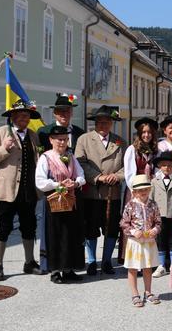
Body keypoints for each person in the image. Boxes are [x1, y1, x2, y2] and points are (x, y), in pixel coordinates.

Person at [0, 99, 44, 281]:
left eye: (26, 115)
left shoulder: (34, 135)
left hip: (28, 190)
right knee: (2, 228)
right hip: (6, 190)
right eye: (19, 114)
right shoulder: (0, 133)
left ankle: (29, 262)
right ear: (12, 116)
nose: (23, 118)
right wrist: (4, 149)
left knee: (29, 227)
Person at [75, 105, 127, 276]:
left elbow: (127, 166)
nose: (103, 125)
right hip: (92, 192)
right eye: (100, 122)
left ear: (111, 123)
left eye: (107, 122)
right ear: (95, 123)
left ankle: (106, 261)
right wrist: (98, 177)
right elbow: (80, 163)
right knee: (91, 227)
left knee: (111, 228)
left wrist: (117, 176)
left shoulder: (120, 141)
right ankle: (91, 261)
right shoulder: (84, 139)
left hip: (112, 193)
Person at [36, 93, 85, 272]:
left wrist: (76, 183)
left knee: (71, 233)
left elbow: (81, 172)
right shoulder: (43, 133)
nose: (64, 114)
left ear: (71, 112)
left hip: (71, 197)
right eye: (60, 111)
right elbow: (40, 177)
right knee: (53, 233)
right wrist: (58, 185)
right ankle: (54, 268)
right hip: (54, 198)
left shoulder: (79, 134)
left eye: (67, 111)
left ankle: (69, 267)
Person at [120, 174, 162, 308]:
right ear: (134, 192)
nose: (143, 192)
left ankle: (148, 292)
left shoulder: (153, 204)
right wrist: (134, 231)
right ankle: (134, 294)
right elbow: (124, 223)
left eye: (145, 189)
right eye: (140, 190)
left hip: (148, 241)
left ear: (149, 190)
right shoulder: (130, 205)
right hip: (135, 243)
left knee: (147, 267)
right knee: (132, 268)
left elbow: (158, 222)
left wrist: (155, 230)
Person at [120, 117, 158, 264]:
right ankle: (132, 257)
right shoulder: (132, 150)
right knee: (135, 221)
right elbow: (129, 174)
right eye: (143, 132)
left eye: (149, 132)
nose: (146, 135)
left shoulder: (156, 150)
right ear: (139, 134)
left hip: (151, 190)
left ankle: (149, 257)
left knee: (150, 221)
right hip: (135, 191)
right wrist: (137, 193)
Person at [150, 151, 172, 278]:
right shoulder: (155, 181)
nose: (167, 168)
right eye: (164, 165)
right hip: (159, 215)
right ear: (159, 166)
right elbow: (150, 198)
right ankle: (161, 265)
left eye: (170, 165)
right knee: (160, 239)